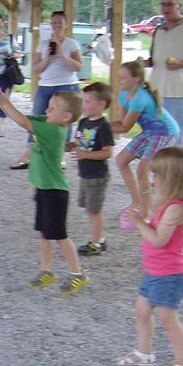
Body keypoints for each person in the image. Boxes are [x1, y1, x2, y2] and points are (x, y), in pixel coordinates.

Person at [0, 87, 89, 295]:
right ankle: (46, 270)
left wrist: (4, 102)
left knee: (60, 235)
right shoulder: (47, 122)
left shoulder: (53, 130)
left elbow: (24, 122)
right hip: (44, 189)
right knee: (44, 233)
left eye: (51, 109)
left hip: (55, 192)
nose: (46, 111)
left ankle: (77, 274)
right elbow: (24, 118)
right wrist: (0, 103)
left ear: (66, 117)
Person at [116, 146, 183, 366]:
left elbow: (159, 240)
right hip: (154, 272)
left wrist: (140, 223)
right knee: (141, 310)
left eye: (156, 175)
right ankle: (144, 352)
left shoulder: (176, 207)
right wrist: (144, 220)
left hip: (169, 275)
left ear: (169, 178)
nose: (153, 180)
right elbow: (158, 230)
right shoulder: (167, 204)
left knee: (168, 319)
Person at [10, 10, 82, 170]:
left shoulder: (71, 43)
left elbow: (78, 66)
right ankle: (29, 153)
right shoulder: (43, 44)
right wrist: (48, 57)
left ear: (65, 24)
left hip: (67, 84)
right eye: (54, 22)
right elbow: (36, 69)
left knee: (65, 120)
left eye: (60, 22)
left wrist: (63, 55)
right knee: (37, 115)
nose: (56, 25)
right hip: (46, 85)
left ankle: (59, 155)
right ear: (50, 25)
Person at [112, 60, 179, 228]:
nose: (119, 81)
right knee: (121, 160)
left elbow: (125, 127)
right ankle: (136, 203)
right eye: (119, 77)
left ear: (136, 79)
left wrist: (100, 125)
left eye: (123, 78)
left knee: (143, 170)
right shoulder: (123, 95)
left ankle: (146, 212)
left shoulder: (140, 98)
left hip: (165, 131)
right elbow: (121, 123)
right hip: (150, 132)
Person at [142, 0, 183, 152]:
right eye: (163, 4)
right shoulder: (158, 30)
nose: (166, 8)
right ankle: (163, 174)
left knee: (181, 138)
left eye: (170, 4)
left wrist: (181, 64)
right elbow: (154, 59)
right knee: (159, 136)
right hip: (156, 92)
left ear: (179, 6)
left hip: (179, 92)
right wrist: (143, 63)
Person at [69, 82, 114, 256]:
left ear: (102, 104)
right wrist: (70, 145)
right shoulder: (83, 122)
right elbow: (80, 143)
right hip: (85, 174)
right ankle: (99, 238)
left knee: (94, 210)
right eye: (83, 101)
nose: (83, 106)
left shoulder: (103, 127)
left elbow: (107, 152)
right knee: (89, 208)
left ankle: (96, 243)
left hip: (97, 175)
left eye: (88, 102)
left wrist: (85, 155)